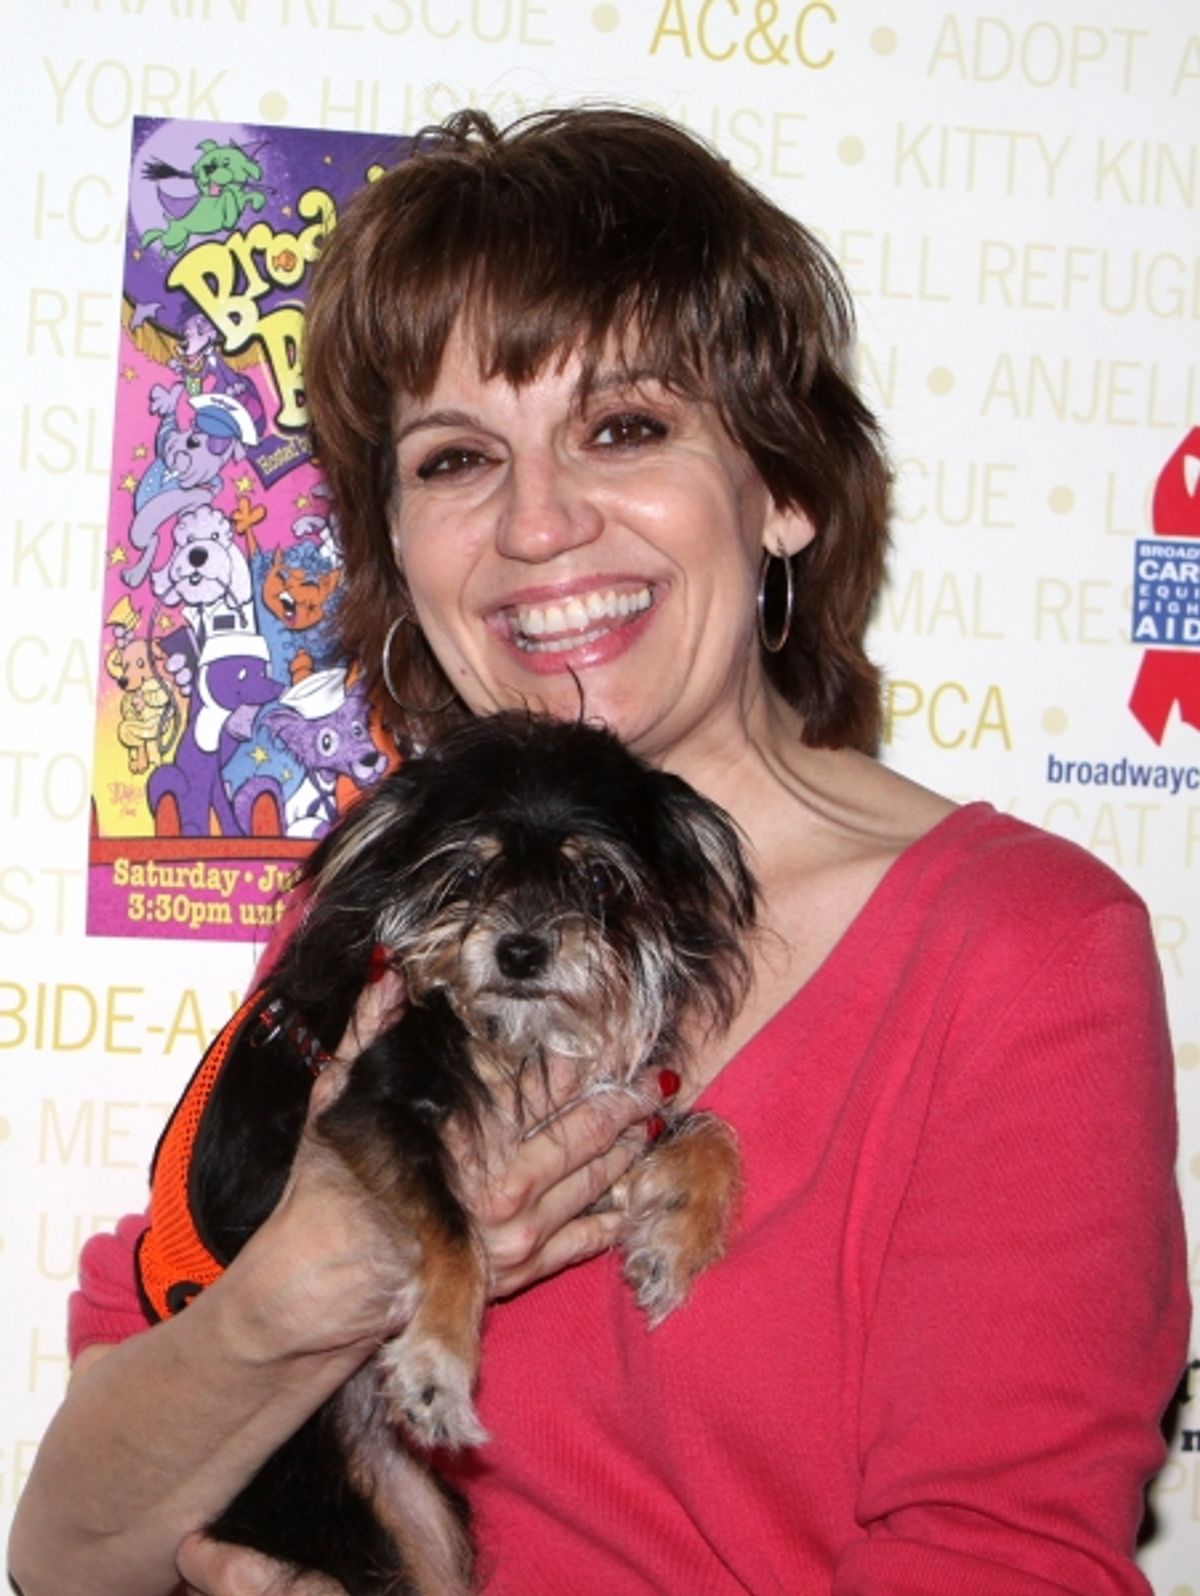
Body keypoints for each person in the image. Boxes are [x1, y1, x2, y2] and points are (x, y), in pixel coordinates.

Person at [8, 107, 1189, 1596]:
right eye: (455, 459)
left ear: (785, 488)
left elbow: (1000, 1563)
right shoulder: (394, 907)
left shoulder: (1017, 952)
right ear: (397, 548)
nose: (538, 525)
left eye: (623, 428)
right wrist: (307, 1287)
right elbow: (69, 1554)